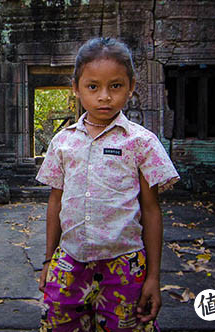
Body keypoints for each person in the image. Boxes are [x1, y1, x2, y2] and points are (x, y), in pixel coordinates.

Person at [36, 37, 180, 332]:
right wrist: (49, 259)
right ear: (75, 88)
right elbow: (55, 202)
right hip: (69, 259)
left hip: (125, 265)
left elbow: (151, 210)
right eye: (93, 86)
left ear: (131, 86)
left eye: (115, 86)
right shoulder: (63, 142)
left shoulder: (141, 142)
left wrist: (153, 277)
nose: (104, 96)